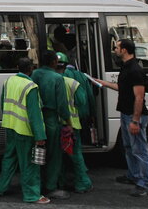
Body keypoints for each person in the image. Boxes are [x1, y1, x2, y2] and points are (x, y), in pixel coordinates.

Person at [95, 39, 148, 196]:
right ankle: (134, 176)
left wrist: (135, 121)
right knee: (129, 147)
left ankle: (147, 185)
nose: (115, 49)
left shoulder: (135, 70)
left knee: (140, 150)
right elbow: (122, 88)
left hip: (134, 116)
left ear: (124, 50)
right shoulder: (126, 67)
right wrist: (102, 82)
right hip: (126, 113)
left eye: (117, 47)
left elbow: (139, 98)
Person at [0, 58, 49, 204]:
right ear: (31, 69)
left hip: (10, 127)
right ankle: (32, 195)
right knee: (29, 164)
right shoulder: (31, 86)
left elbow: (2, 104)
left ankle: (0, 188)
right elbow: (35, 114)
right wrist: (40, 136)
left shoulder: (9, 81)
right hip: (25, 131)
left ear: (17, 67)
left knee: (10, 159)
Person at [31, 50, 71, 199]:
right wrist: (68, 123)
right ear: (54, 62)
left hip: (37, 119)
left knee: (38, 154)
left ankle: (38, 184)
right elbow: (62, 106)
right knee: (54, 155)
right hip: (51, 119)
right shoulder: (57, 78)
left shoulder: (34, 74)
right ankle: (51, 186)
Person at [55, 52, 93, 194]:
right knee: (75, 155)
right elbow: (82, 102)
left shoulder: (49, 81)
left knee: (58, 156)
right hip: (71, 126)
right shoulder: (73, 83)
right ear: (65, 66)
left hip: (55, 125)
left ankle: (61, 181)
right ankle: (82, 182)